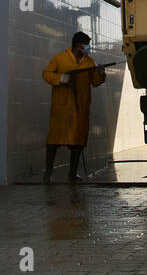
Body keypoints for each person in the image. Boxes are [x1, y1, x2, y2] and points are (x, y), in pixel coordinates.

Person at [42, 31, 107, 182]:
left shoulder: (89, 62)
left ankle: (72, 174)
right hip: (62, 109)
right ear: (79, 45)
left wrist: (101, 74)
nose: (88, 48)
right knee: (54, 142)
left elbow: (95, 82)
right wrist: (61, 78)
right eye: (87, 45)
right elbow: (46, 74)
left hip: (80, 108)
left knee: (77, 144)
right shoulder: (60, 59)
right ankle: (48, 173)